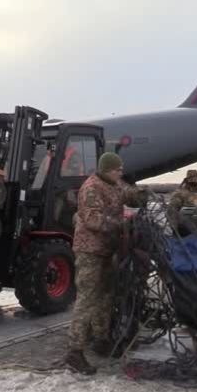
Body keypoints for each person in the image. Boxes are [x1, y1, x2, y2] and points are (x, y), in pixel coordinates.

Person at [64, 152, 144, 375]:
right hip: (90, 250)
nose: (121, 173)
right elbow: (92, 220)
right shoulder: (91, 188)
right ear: (107, 169)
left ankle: (101, 339)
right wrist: (121, 224)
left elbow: (126, 191)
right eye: (117, 169)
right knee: (88, 298)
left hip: (107, 250)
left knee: (106, 295)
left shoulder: (113, 183)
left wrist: (139, 194)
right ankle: (74, 351)